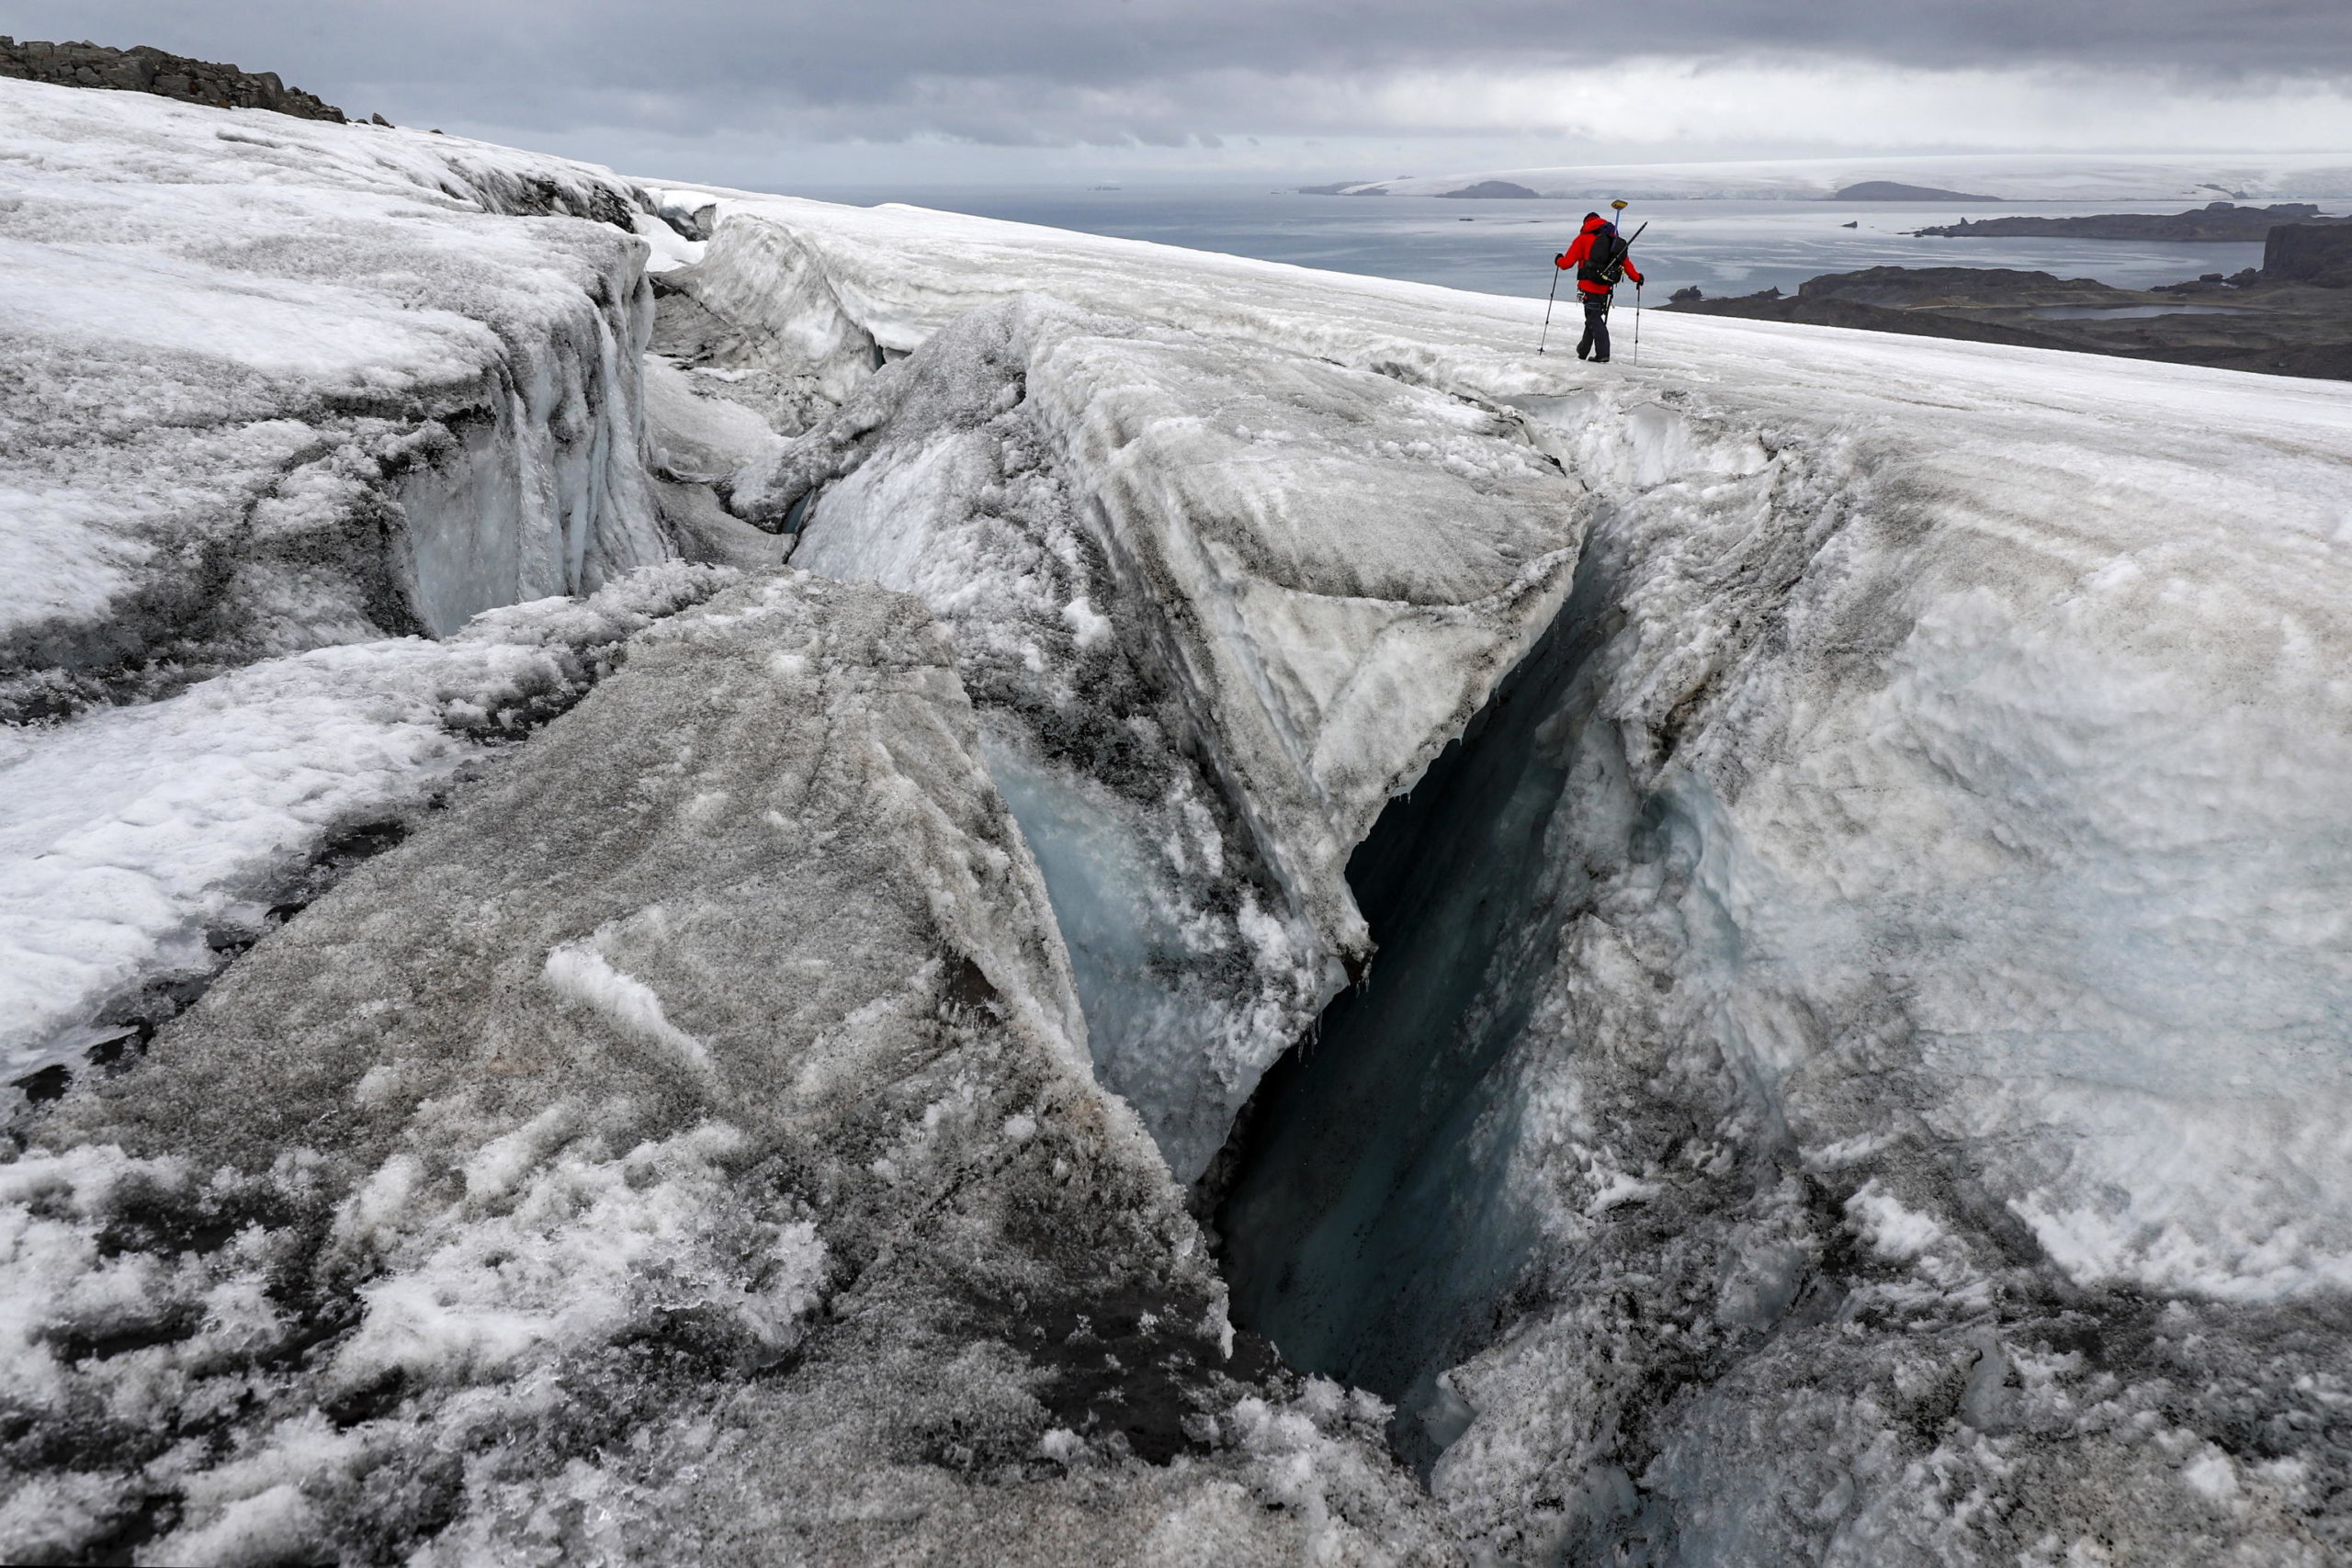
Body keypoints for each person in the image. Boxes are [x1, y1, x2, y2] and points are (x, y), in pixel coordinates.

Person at [1555, 213, 1643, 363]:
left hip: (1588, 285)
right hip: (1605, 287)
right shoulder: (1612, 240)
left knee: (1594, 319)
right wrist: (1637, 277)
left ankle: (1603, 354)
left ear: (1586, 224)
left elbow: (1566, 264)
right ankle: (1583, 351)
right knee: (1592, 317)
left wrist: (1558, 260)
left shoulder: (1583, 238)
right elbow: (1625, 263)